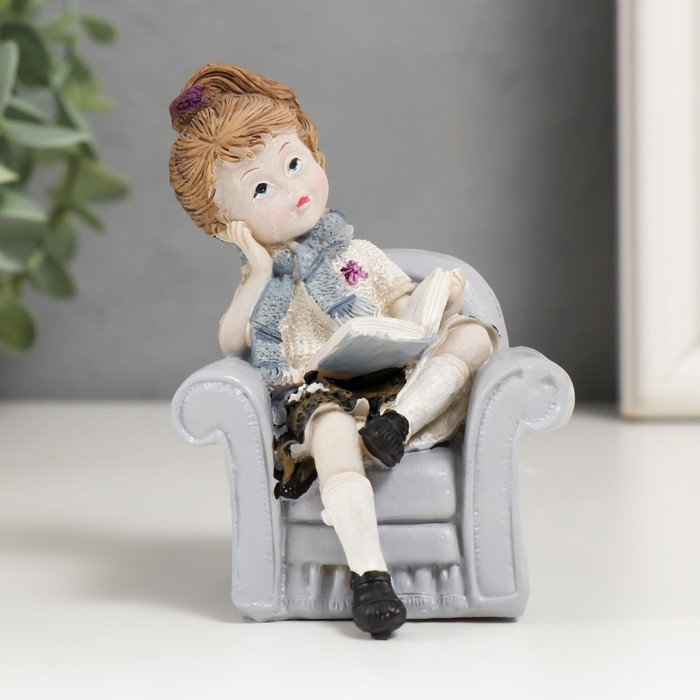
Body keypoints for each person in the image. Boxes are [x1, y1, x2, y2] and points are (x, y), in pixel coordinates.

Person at [169, 64, 497, 639]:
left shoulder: (357, 254)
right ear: (226, 225)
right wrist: (259, 271)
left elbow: (400, 307)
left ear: (315, 154)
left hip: (396, 386)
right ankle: (371, 577)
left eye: (294, 164)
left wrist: (435, 302)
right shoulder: (265, 282)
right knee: (330, 426)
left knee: (475, 335)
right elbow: (231, 339)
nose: (292, 189)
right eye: (261, 189)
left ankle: (396, 427)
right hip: (322, 395)